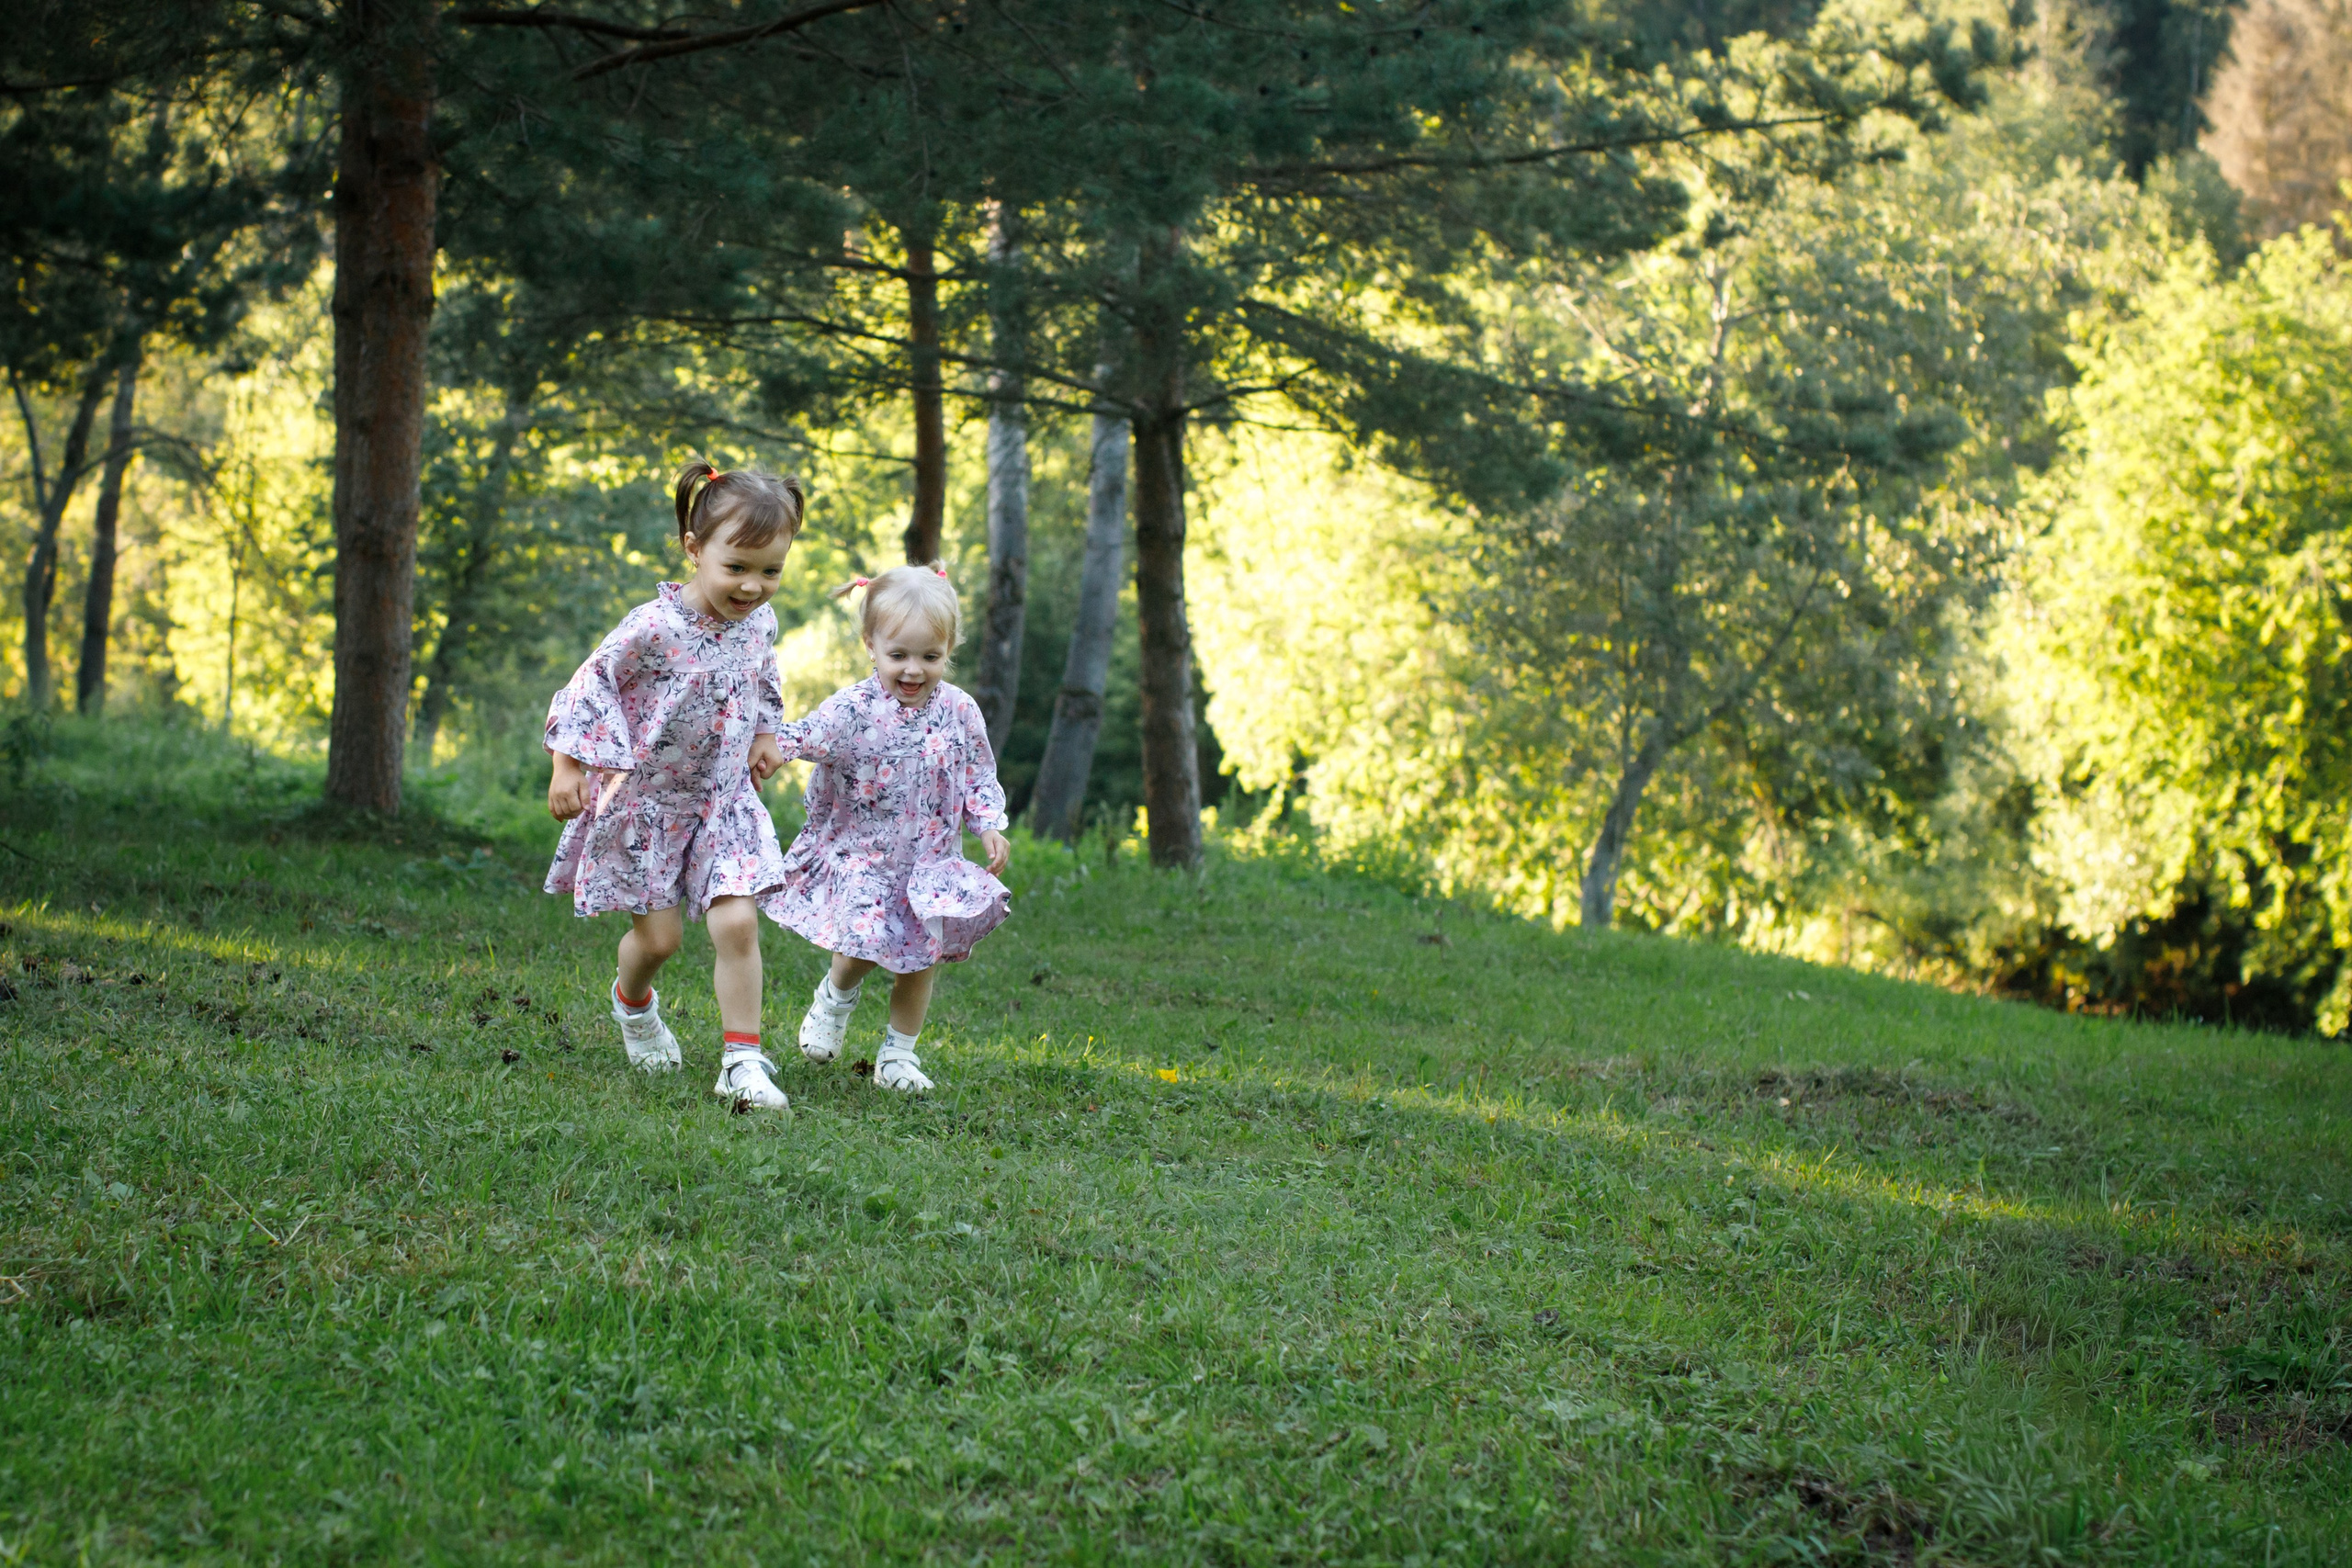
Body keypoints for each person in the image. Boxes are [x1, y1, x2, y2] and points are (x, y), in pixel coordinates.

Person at [542, 458, 804, 1111]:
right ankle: (633, 1004)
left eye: (771, 570)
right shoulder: (652, 628)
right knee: (659, 941)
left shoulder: (760, 623)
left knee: (738, 922)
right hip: (649, 805)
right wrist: (568, 767)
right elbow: (588, 683)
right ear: (694, 549)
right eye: (737, 567)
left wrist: (768, 732)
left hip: (722, 802)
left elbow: (762, 679)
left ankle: (742, 1058)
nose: (753, 586)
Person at [766, 564, 1012, 1093]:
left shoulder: (960, 711)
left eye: (931, 656)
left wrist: (988, 824)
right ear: (871, 645)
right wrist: (772, 750)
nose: (914, 670)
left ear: (950, 649)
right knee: (861, 942)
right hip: (865, 857)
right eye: (898, 655)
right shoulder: (855, 708)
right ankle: (835, 997)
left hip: (930, 862)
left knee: (921, 961)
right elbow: (810, 734)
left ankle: (898, 1056)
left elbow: (977, 771)